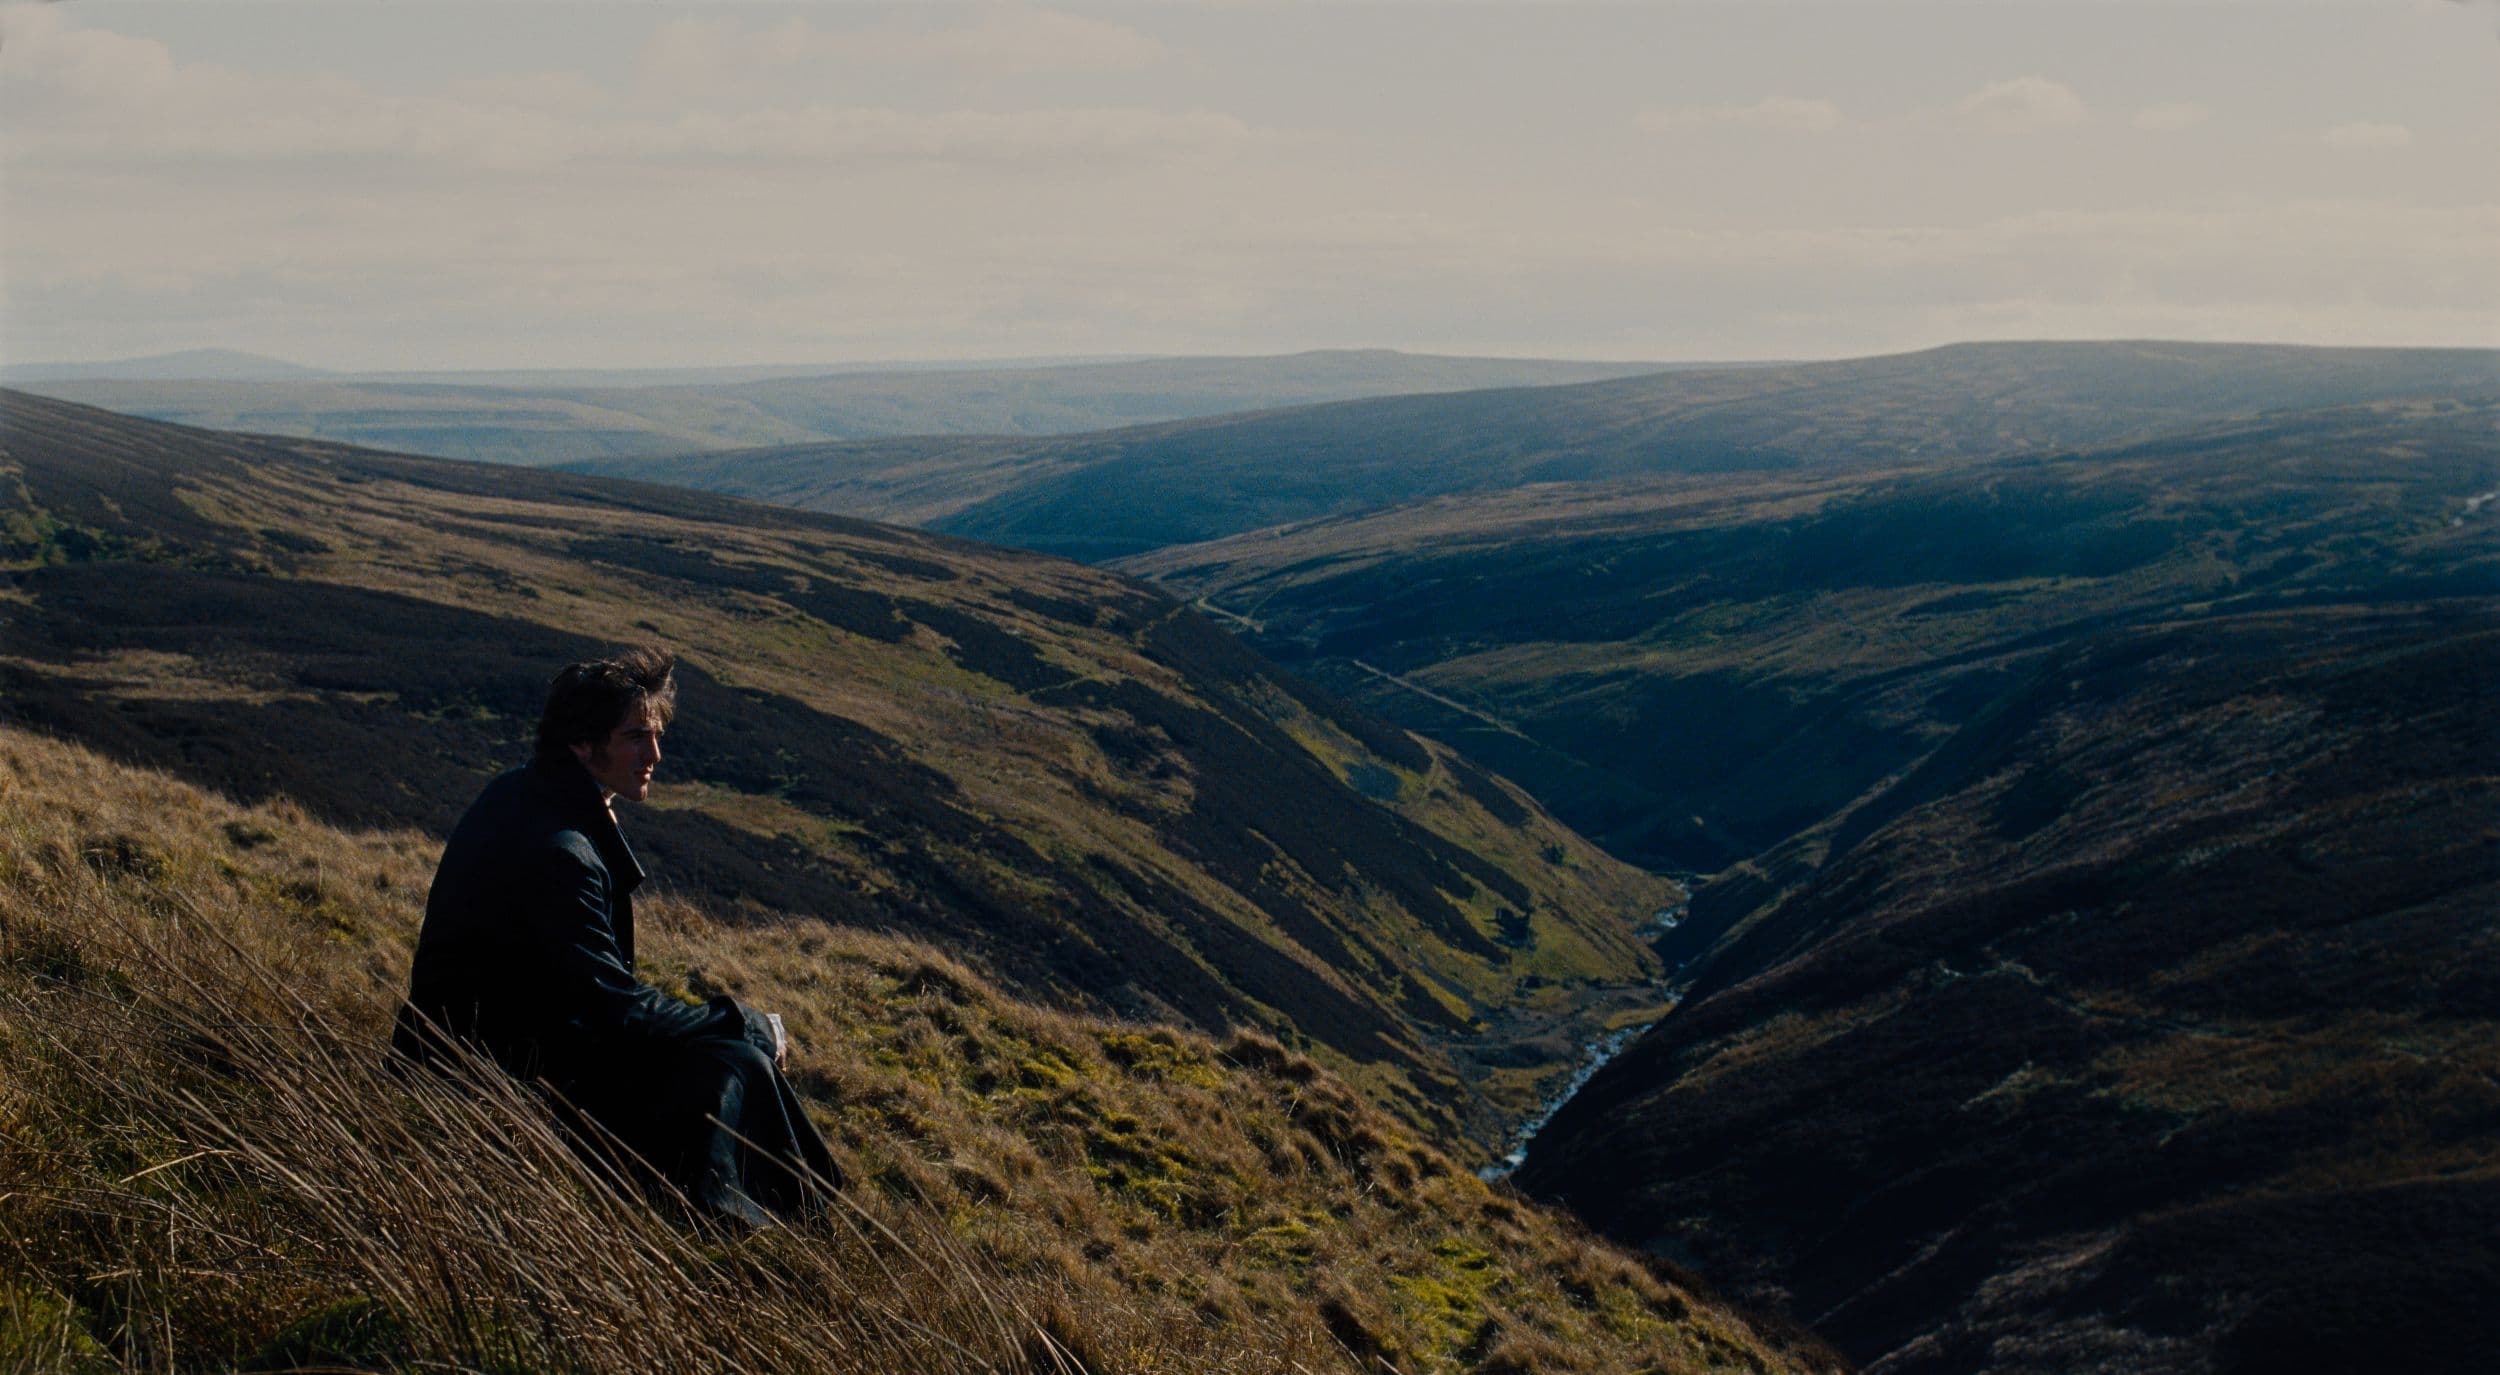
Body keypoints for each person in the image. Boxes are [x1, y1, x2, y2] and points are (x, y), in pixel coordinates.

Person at [391, 646, 838, 1229]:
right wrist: (746, 1023)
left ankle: (760, 1220)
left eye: (655, 734)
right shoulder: (561, 853)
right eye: (635, 737)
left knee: (721, 1055)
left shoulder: (523, 793)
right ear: (582, 742)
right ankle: (764, 1228)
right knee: (734, 1061)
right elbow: (613, 1009)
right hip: (489, 1079)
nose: (654, 754)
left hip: (484, 1053)